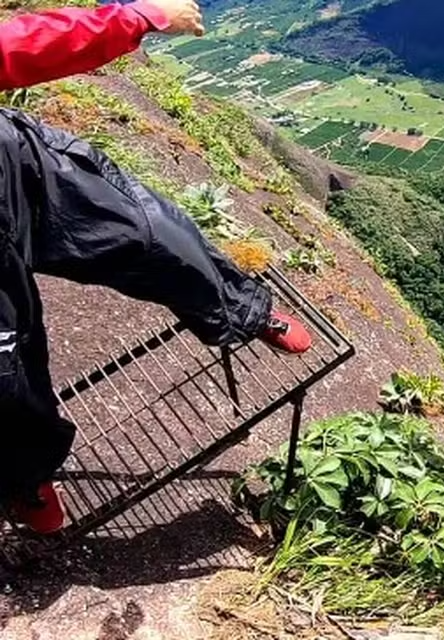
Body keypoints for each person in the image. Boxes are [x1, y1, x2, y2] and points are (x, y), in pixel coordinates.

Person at [0, 0, 314, 534]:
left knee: (151, 231)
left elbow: (17, 44)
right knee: (6, 371)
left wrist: (137, 16)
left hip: (9, 160)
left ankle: (241, 307)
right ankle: (24, 478)